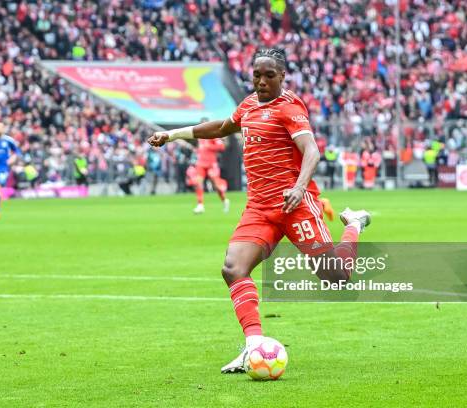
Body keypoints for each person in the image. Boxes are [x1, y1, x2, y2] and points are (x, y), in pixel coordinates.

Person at [148, 48, 371, 374]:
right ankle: (253, 345)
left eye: (269, 75)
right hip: (260, 208)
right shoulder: (249, 105)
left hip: (296, 205)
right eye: (257, 75)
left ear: (282, 76)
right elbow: (222, 127)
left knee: (335, 278)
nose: (262, 81)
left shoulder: (289, 108)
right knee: (232, 268)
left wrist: (298, 187)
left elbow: (311, 150)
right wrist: (173, 134)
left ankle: (353, 224)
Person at [193, 119, 230, 214]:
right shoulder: (199, 136)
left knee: (216, 186)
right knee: (198, 183)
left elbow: (221, 146)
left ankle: (224, 200)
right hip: (201, 163)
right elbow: (201, 148)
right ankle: (200, 205)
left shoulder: (213, 135)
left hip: (211, 164)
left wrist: (209, 147)